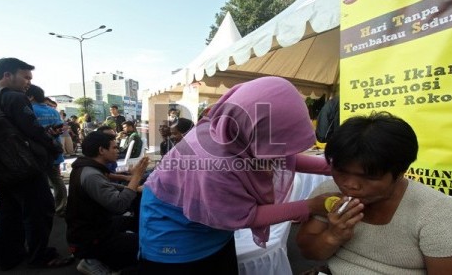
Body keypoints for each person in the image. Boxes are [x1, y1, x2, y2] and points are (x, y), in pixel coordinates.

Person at [138, 76, 333, 274]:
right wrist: (309, 206)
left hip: (215, 229)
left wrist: (331, 168)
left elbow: (280, 155)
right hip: (177, 242)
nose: (281, 154)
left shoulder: (230, 129)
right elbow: (247, 215)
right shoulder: (211, 162)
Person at [296, 111, 452, 274]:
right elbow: (308, 252)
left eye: (369, 176)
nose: (350, 185)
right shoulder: (329, 192)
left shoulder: (436, 212)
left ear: (401, 172)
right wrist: (332, 236)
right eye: (341, 171)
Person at [0, 58, 72, 270]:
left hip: (0, 167)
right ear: (8, 75)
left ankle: (9, 257)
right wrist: (53, 147)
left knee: (9, 212)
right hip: (24, 166)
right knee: (39, 211)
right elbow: (32, 130)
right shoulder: (15, 97)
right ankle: (41, 256)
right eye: (25, 77)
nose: (28, 82)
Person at [66, 131, 149, 273]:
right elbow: (119, 206)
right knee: (146, 244)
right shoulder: (91, 175)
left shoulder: (86, 167)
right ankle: (91, 260)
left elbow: (107, 185)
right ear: (101, 150)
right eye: (114, 148)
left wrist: (134, 185)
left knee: (132, 223)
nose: (118, 151)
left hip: (95, 225)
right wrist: (136, 177)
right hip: (90, 238)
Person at [26, 84, 68, 218]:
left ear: (31, 96)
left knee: (40, 181)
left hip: (37, 153)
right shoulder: (54, 111)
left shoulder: (29, 109)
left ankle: (44, 208)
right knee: (56, 179)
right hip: (54, 150)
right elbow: (60, 129)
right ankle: (61, 207)